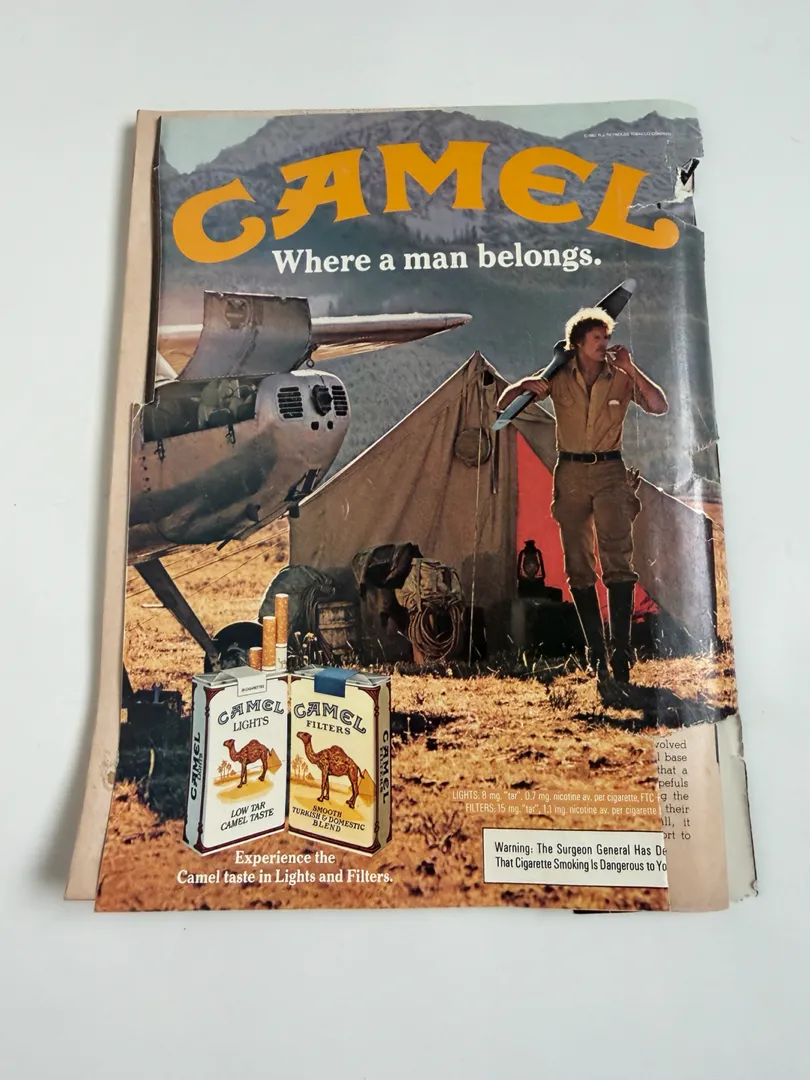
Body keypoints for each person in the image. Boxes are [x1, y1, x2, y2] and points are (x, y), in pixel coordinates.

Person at [498, 307, 668, 686]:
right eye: (597, 339)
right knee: (578, 565)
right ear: (577, 343)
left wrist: (632, 368)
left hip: (611, 471)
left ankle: (621, 653)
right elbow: (503, 405)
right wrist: (524, 385)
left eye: (607, 337)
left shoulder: (621, 377)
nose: (604, 344)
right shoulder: (558, 377)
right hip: (571, 473)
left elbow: (659, 405)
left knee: (618, 561)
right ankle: (596, 652)